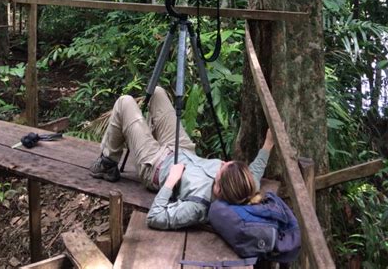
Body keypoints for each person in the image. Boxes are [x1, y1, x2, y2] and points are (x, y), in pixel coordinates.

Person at [90, 86, 274, 230]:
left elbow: (155, 218)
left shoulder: (197, 206)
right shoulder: (244, 188)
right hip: (182, 150)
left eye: (223, 167)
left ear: (218, 188)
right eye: (226, 163)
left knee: (125, 102)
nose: (223, 163)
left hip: (155, 165)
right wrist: (268, 144)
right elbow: (255, 173)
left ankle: (108, 162)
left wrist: (170, 183)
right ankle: (143, 134)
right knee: (157, 92)